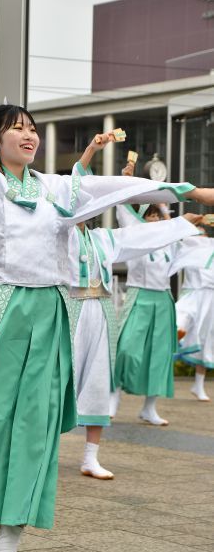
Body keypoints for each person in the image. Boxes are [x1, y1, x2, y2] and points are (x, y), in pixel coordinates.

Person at [0, 57, 214, 552]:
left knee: (35, 432)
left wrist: (188, 195)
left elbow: (123, 191)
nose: (28, 135)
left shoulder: (56, 189)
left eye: (31, 128)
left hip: (50, 316)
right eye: (15, 128)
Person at [66, 152, 201, 479]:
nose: (90, 207)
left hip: (101, 311)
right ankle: (36, 448)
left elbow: (142, 235)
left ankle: (90, 456)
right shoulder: (60, 235)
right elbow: (85, 187)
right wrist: (94, 155)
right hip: (67, 311)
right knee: (57, 379)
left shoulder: (103, 239)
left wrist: (185, 222)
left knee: (99, 376)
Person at [110, 164, 205, 425]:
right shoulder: (136, 234)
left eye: (157, 216)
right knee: (127, 350)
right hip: (140, 295)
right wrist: (125, 179)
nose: (154, 220)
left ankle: (149, 407)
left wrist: (171, 212)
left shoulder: (171, 238)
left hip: (163, 299)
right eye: (149, 215)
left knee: (159, 354)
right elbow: (124, 210)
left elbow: (197, 243)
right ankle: (113, 397)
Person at [174, 226, 214, 401]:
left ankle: (198, 385)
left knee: (206, 340)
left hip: (210, 298)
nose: (200, 237)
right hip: (191, 294)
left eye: (202, 234)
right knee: (176, 326)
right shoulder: (185, 248)